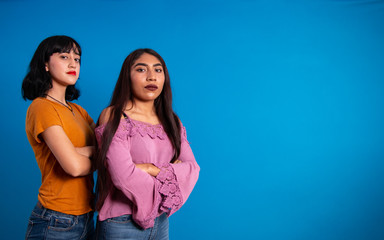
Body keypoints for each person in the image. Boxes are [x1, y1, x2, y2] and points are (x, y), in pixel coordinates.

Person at [94, 48, 200, 239]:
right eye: (142, 70)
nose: (152, 77)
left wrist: (150, 169)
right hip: (121, 222)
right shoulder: (115, 116)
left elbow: (192, 169)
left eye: (158, 70)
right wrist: (169, 174)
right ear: (127, 76)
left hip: (161, 222)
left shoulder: (172, 121)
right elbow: (122, 176)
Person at [22, 35, 95, 239]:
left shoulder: (78, 111)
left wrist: (77, 152)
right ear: (45, 64)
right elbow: (74, 167)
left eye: (77, 59)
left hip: (87, 216)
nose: (73, 63)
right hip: (55, 219)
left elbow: (108, 144)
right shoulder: (42, 107)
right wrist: (99, 155)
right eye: (64, 57)